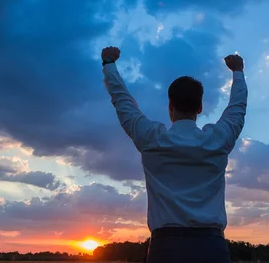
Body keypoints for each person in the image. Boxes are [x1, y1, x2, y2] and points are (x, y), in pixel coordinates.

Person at [101, 46, 248, 263]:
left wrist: (109, 63)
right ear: (200, 107)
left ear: (170, 105)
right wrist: (238, 71)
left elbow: (122, 101)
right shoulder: (218, 140)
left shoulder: (152, 139)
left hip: (165, 249)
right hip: (212, 249)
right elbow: (237, 107)